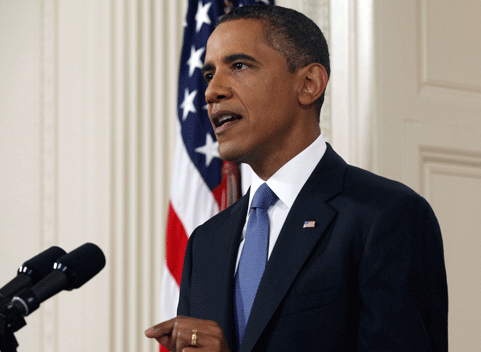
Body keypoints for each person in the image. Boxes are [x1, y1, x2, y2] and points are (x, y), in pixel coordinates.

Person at [146, 4, 448, 352]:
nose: (213, 91)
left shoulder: (385, 216)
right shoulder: (205, 243)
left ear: (309, 84)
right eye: (209, 75)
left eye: (239, 66)